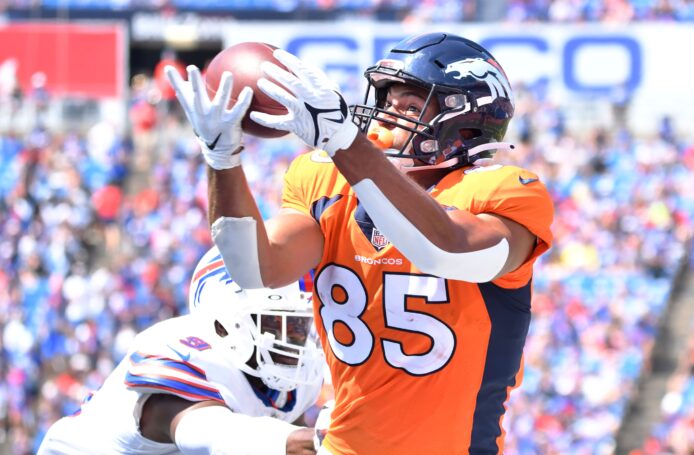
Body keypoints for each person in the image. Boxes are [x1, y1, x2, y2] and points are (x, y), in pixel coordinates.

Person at [166, 32, 554, 455]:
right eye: (387, 102)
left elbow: (445, 249)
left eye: (410, 106)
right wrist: (223, 159)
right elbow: (256, 268)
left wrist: (344, 143)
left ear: (467, 125)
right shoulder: (325, 179)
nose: (388, 117)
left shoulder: (507, 192)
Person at [38, 246, 325, 455]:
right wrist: (326, 439)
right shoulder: (182, 354)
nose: (297, 341)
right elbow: (214, 435)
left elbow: (286, 425)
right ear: (228, 321)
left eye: (303, 326)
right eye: (279, 325)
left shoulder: (290, 379)